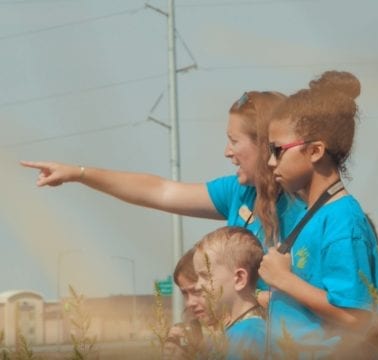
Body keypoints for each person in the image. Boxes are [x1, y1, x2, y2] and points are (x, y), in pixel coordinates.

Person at [20, 91, 306, 304]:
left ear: (264, 144)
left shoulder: (302, 209)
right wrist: (79, 173)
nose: (226, 152)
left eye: (234, 141)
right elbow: (158, 191)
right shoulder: (238, 192)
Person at [257, 70, 378, 357]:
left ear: (315, 151)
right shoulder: (312, 215)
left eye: (278, 150)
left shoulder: (343, 219)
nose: (270, 161)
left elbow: (357, 318)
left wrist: (283, 280)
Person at [193, 226, 266, 359]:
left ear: (239, 278)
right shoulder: (227, 334)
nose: (197, 286)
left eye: (205, 275)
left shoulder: (251, 335)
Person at [164, 248, 205, 359]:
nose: (189, 303)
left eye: (197, 291)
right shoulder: (190, 330)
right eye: (185, 294)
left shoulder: (239, 333)